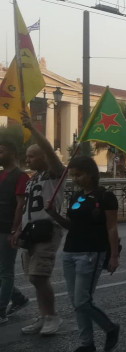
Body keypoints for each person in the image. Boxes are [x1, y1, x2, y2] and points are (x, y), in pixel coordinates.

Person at [49, 156, 121, 352]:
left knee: (82, 300)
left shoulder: (106, 197)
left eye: (78, 174)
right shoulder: (76, 197)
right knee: (77, 302)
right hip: (70, 252)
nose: (75, 179)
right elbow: (71, 226)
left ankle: (110, 328)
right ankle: (86, 344)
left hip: (91, 253)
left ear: (90, 173)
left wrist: (113, 255)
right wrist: (53, 214)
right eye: (72, 175)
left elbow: (112, 227)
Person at [17, 114, 64, 336]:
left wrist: (33, 130)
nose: (28, 160)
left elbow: (49, 151)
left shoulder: (55, 173)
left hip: (47, 229)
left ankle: (52, 316)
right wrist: (17, 229)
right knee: (33, 277)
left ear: (43, 157)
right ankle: (43, 315)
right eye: (27, 157)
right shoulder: (33, 178)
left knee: (39, 276)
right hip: (30, 231)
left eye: (32, 156)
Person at [0, 139, 30, 325]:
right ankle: (18, 298)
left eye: (1, 151)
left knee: (6, 272)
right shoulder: (1, 174)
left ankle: (1, 310)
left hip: (7, 229)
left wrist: (15, 230)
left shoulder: (21, 176)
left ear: (12, 152)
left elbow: (21, 205)